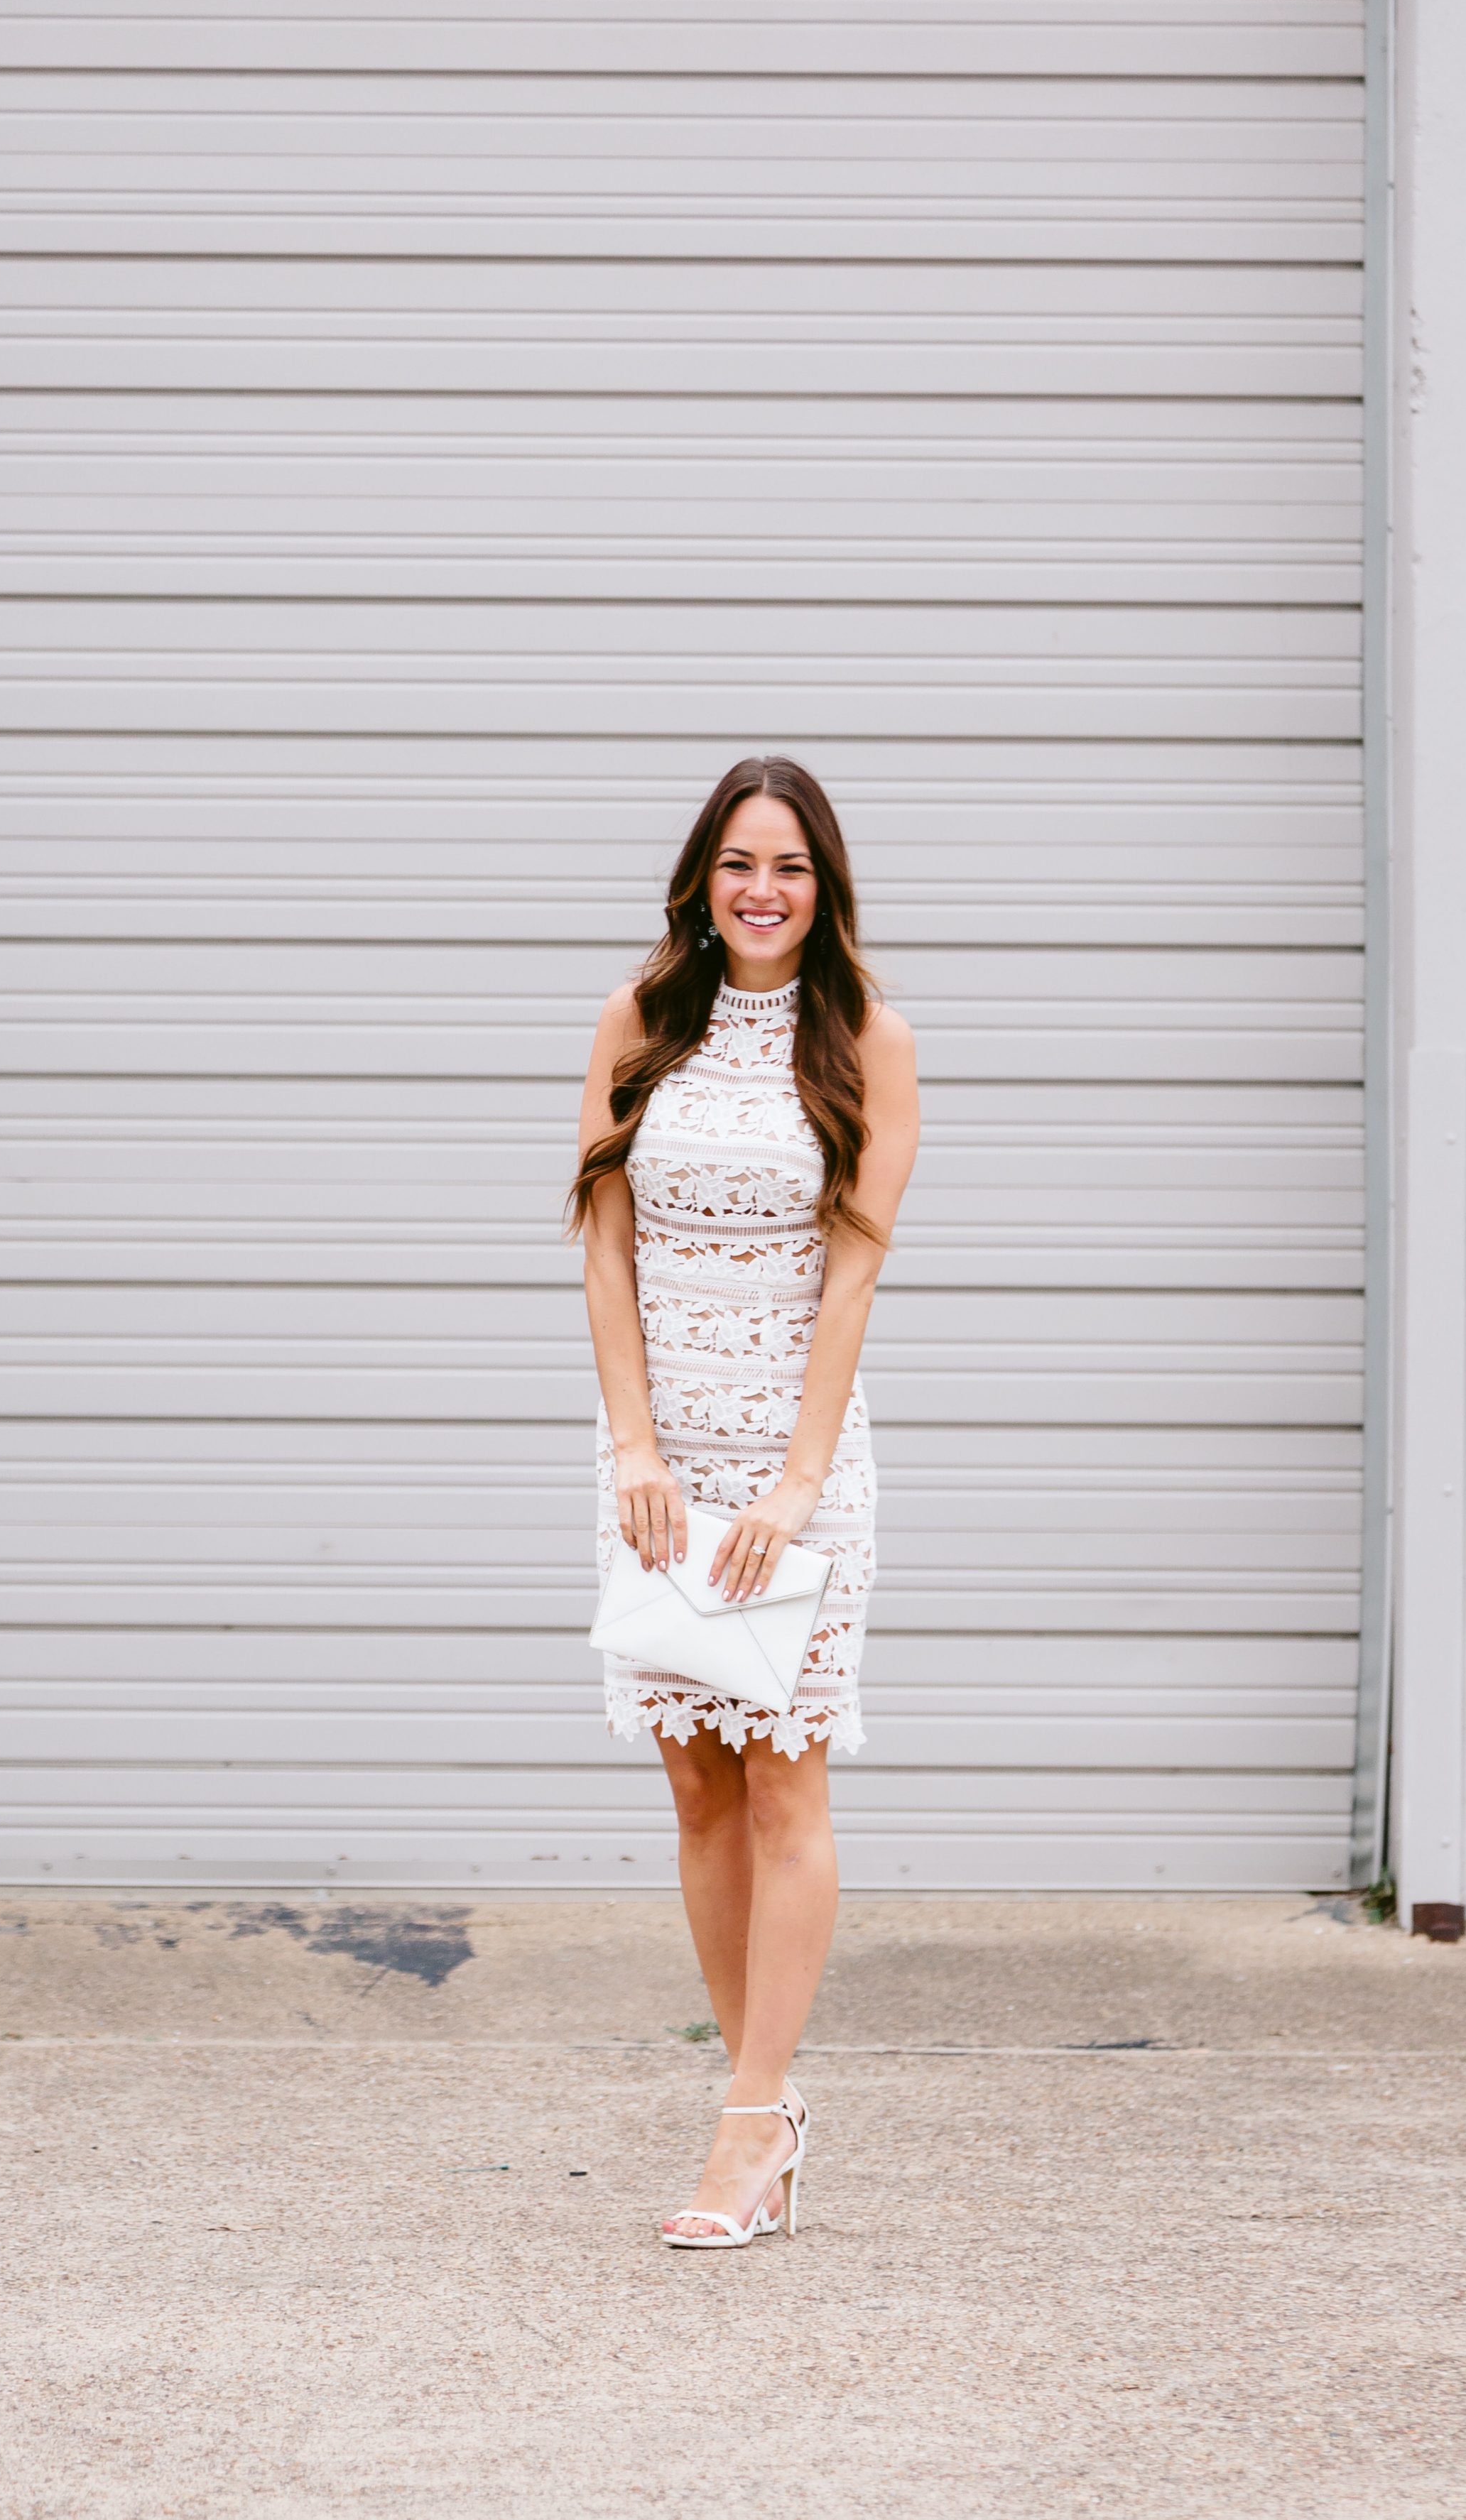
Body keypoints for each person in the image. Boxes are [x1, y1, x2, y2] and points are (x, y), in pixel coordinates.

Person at [570, 756, 918, 2248]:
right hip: (659, 1462)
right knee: (697, 1782)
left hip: (799, 1466)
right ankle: (760, 2111)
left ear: (823, 889)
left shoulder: (871, 1041)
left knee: (782, 1776)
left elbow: (854, 1276)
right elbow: (604, 1246)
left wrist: (798, 1481)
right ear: (701, 883)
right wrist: (635, 1450)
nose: (762, 890)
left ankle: (748, 2120)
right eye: (738, 864)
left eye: (789, 866)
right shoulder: (640, 1020)